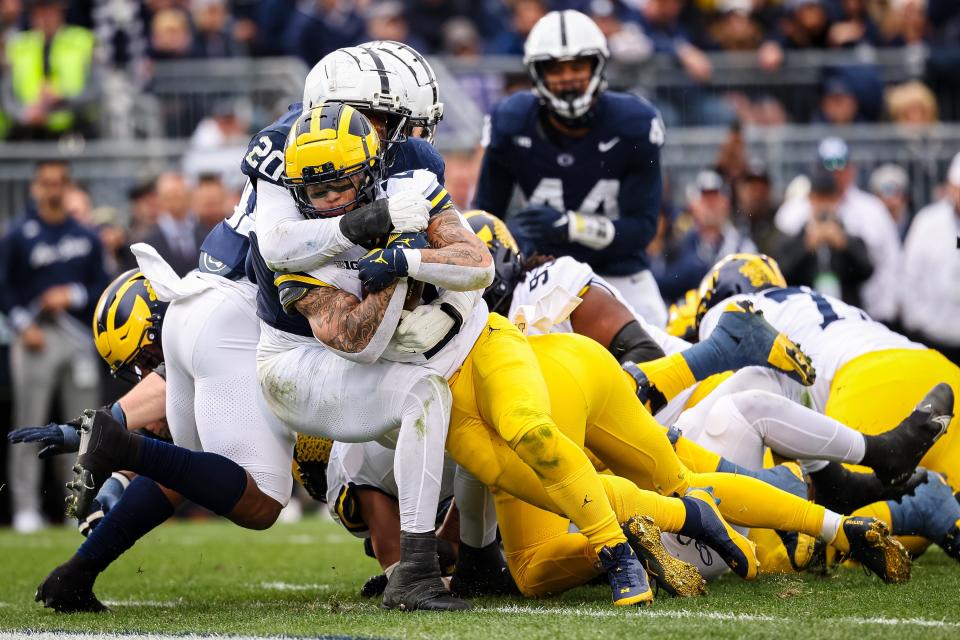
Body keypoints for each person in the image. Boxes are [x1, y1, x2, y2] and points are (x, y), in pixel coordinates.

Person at [475, 10, 669, 327]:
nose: (568, 78)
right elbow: (486, 215)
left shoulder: (633, 122)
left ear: (597, 66)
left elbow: (642, 229)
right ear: (537, 72)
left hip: (620, 273)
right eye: (555, 69)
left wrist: (570, 225)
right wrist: (514, 248)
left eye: (577, 66)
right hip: (544, 275)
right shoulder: (511, 121)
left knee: (658, 364)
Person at [0, 160, 107, 533]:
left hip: (78, 338)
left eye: (59, 182)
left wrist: (72, 293)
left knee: (82, 428)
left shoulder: (85, 234)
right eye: (45, 182)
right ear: (35, 187)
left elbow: (102, 286)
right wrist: (20, 323)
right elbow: (4, 286)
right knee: (30, 422)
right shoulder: (19, 234)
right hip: (36, 338)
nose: (52, 189)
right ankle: (25, 507)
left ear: (68, 186)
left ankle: (76, 504)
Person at [774, 137, 901, 324]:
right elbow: (779, 271)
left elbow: (872, 268)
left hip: (854, 316)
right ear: (811, 197)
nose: (835, 173)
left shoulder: (870, 211)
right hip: (803, 318)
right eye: (826, 167)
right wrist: (805, 244)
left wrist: (844, 242)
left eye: (840, 167)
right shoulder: (791, 214)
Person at [1, 0, 99, 139]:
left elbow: (96, 91)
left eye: (49, 11)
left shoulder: (83, 41)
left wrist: (62, 98)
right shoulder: (18, 46)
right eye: (39, 12)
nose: (45, 18)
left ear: (60, 11)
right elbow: (7, 95)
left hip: (74, 131)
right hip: (29, 132)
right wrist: (24, 114)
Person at [656, 170, 756, 304]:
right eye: (705, 199)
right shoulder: (676, 246)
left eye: (716, 198)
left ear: (726, 203)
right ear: (693, 205)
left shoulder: (744, 247)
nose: (711, 205)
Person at [776, 170, 873, 307]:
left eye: (829, 198)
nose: (824, 204)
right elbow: (782, 274)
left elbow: (867, 270)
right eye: (819, 198)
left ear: (837, 200)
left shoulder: (851, 231)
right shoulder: (795, 235)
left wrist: (845, 244)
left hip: (845, 311)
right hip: (807, 311)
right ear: (810, 199)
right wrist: (805, 247)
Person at [899, 152, 960, 365]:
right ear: (951, 188)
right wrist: (919, 320)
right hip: (934, 337)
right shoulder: (927, 222)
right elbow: (910, 275)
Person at [141, 172, 211, 277]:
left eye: (179, 195)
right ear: (160, 198)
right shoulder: (147, 241)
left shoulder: (207, 234)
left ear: (189, 196)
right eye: (169, 196)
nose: (175, 201)